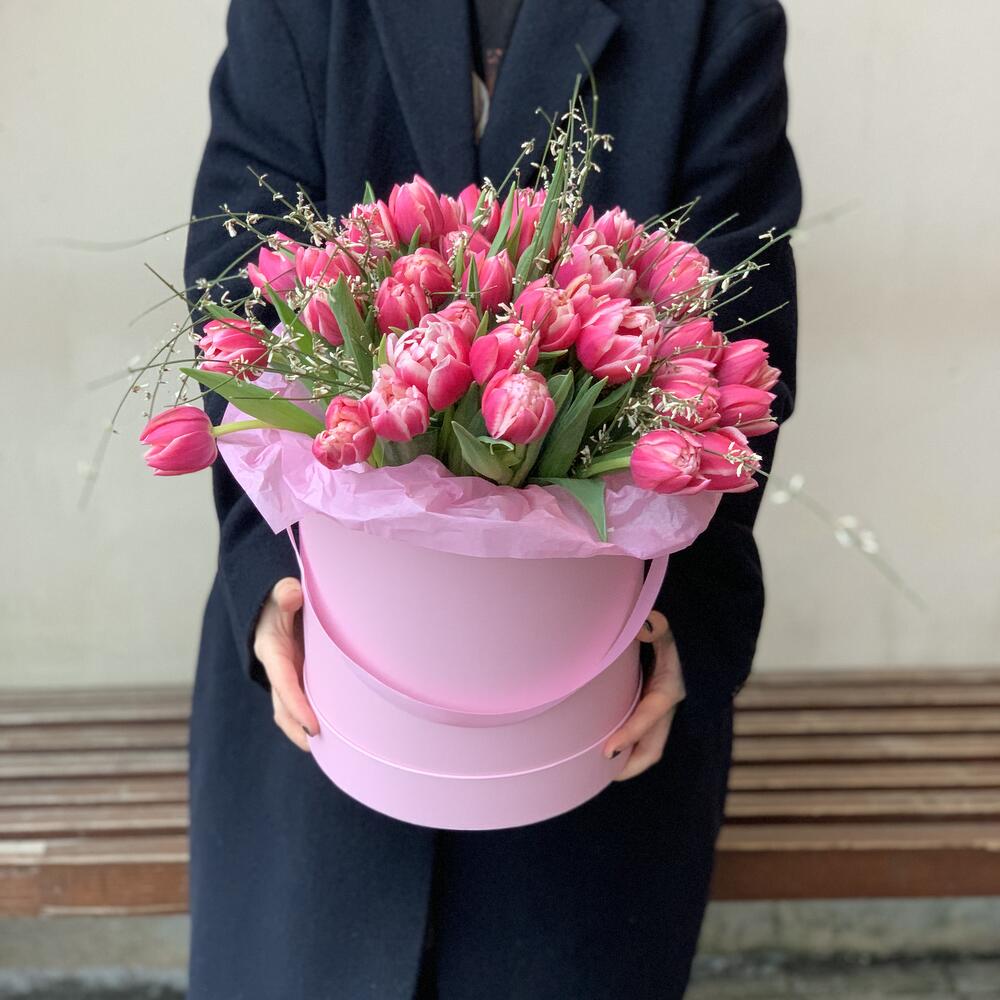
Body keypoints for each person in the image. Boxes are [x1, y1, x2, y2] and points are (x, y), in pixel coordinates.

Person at [183, 1, 801, 997]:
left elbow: (739, 327)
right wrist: (264, 578)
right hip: (320, 650)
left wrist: (685, 621)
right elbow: (237, 292)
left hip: (597, 678)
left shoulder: (711, 16)